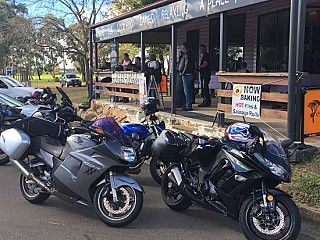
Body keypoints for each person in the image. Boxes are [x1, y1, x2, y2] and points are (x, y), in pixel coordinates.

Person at [178, 42, 195, 111]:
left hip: (186, 74)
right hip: (189, 73)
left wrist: (183, 72)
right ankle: (187, 104)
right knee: (188, 89)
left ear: (184, 47)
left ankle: (188, 105)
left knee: (187, 90)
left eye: (182, 47)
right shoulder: (188, 54)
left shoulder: (187, 54)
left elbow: (186, 64)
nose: (181, 49)